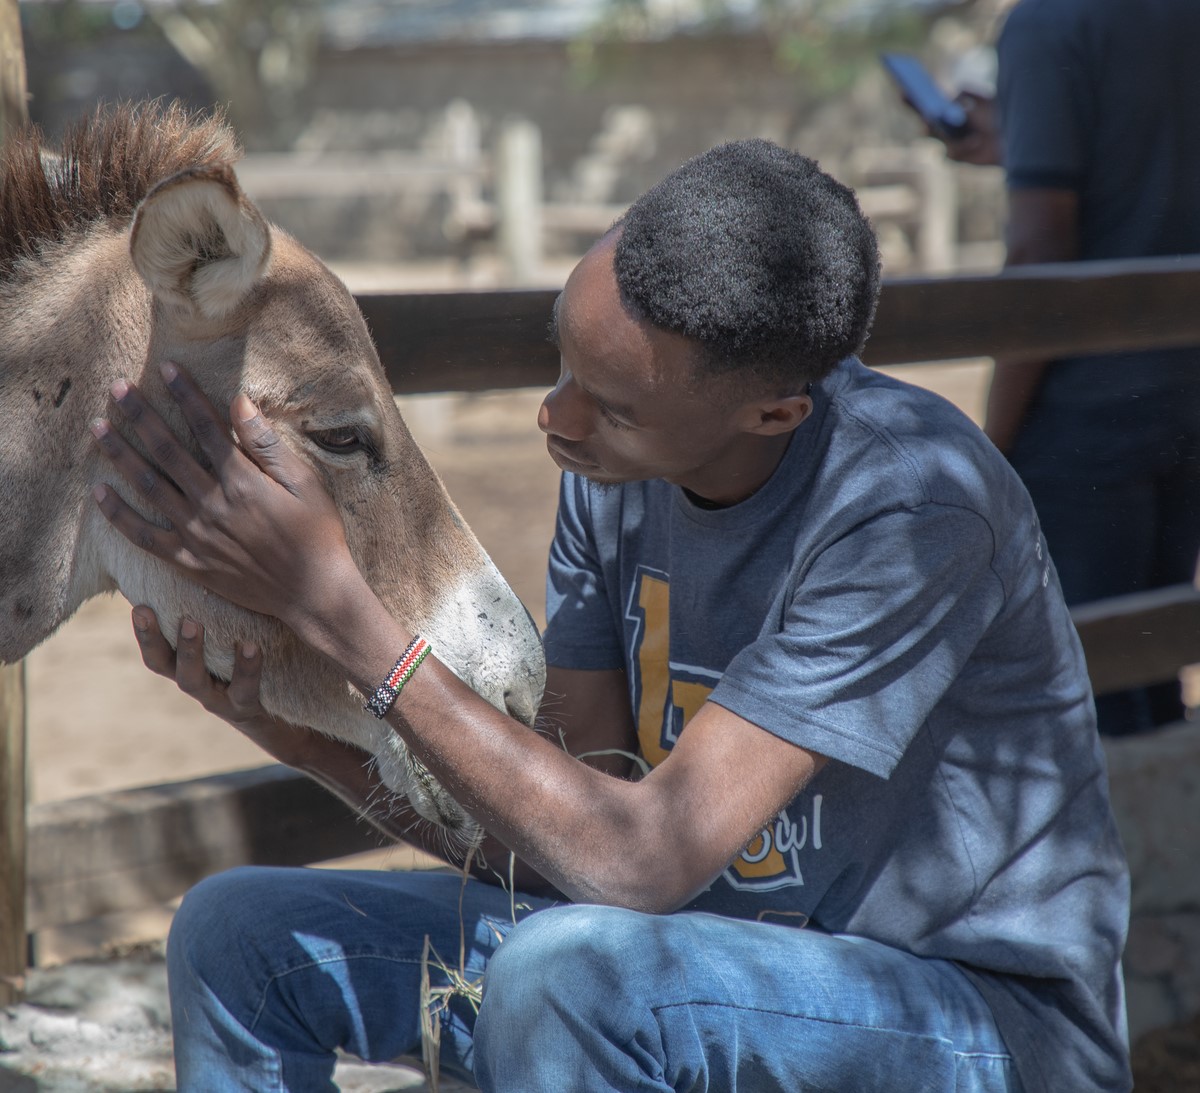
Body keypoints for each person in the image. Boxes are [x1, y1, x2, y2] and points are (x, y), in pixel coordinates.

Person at [91, 139, 1131, 1092]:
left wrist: (340, 614)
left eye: (612, 405)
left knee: (561, 975)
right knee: (237, 935)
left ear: (771, 415)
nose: (556, 418)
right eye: (562, 364)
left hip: (975, 1022)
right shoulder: (615, 474)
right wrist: (287, 728)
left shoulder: (908, 507)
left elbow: (636, 862)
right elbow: (556, 845)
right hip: (677, 968)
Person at [938, 0, 1200, 736]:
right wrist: (1019, 133)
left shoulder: (1048, 24)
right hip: (1184, 393)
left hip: (1087, 409)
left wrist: (995, 438)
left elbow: (1040, 247)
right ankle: (1168, 844)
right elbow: (1145, 156)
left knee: (1078, 689)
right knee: (1152, 660)